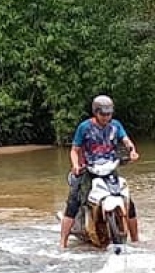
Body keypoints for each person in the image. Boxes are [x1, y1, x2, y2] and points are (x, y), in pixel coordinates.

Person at [59, 94, 140, 249]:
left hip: (110, 169)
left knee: (129, 202)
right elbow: (74, 150)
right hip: (89, 170)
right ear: (95, 112)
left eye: (109, 114)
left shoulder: (116, 126)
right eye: (103, 114)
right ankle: (62, 242)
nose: (106, 117)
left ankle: (136, 240)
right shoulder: (84, 127)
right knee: (74, 200)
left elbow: (126, 141)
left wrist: (132, 151)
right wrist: (76, 165)